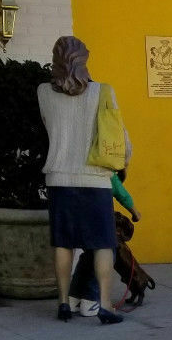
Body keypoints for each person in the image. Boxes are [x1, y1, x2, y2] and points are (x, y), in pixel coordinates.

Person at [38, 35, 130, 324]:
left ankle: (64, 303)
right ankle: (104, 304)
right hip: (95, 178)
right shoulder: (103, 91)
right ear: (83, 59)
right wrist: (123, 161)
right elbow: (119, 137)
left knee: (63, 242)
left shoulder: (42, 91)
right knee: (103, 243)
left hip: (58, 178)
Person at [67, 169, 140, 316]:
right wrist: (135, 213)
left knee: (87, 257)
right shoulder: (106, 171)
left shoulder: (81, 168)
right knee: (104, 256)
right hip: (97, 220)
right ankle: (90, 301)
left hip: (77, 217)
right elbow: (122, 194)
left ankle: (73, 298)